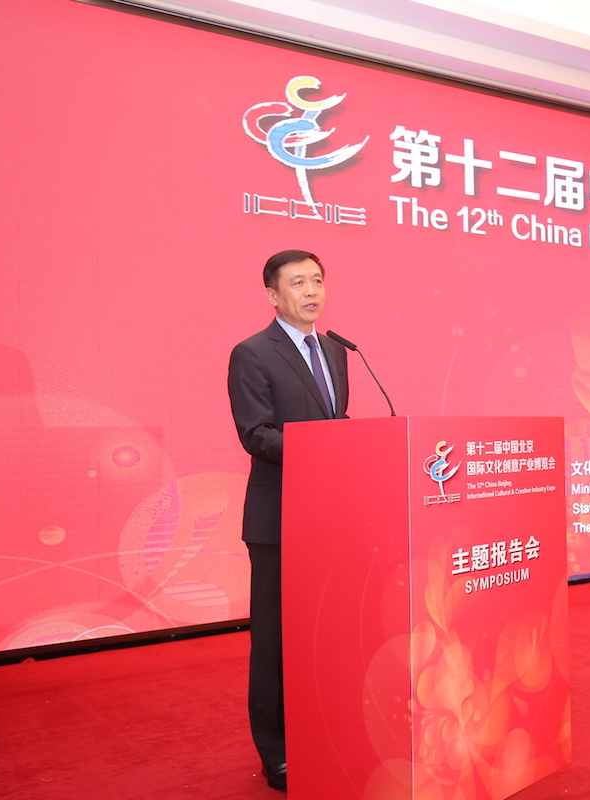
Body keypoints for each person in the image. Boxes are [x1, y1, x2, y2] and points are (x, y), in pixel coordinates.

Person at [227, 249, 350, 792]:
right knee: (276, 640)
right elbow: (256, 434)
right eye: (297, 282)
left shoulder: (337, 350)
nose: (311, 291)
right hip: (278, 519)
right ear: (273, 296)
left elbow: (336, 421)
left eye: (317, 280)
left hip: (330, 516)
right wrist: (324, 448)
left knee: (326, 633)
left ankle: (322, 728)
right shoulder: (252, 353)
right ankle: (276, 751)